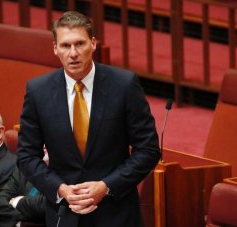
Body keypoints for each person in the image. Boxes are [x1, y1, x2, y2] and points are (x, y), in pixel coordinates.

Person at [17, 11, 160, 227]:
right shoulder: (38, 91)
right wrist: (60, 189)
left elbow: (148, 150)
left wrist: (106, 186)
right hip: (64, 214)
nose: (73, 53)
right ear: (55, 48)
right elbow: (26, 156)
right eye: (65, 46)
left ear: (93, 44)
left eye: (80, 44)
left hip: (116, 214)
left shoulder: (124, 85)